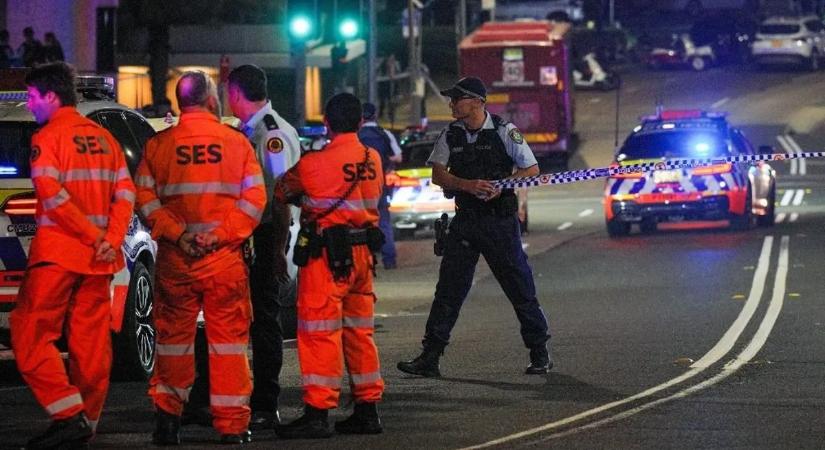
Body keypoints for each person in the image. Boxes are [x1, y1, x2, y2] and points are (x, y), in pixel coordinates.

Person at [135, 71, 266, 445]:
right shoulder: (237, 144)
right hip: (223, 259)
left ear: (180, 104)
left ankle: (167, 421)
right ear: (211, 100)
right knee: (228, 345)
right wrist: (218, 235)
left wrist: (178, 234)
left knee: (173, 342)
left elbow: (144, 200)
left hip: (177, 260)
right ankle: (232, 426)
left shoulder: (158, 146)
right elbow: (254, 201)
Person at [10, 62, 136, 449]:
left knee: (29, 333)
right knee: (91, 347)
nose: (30, 103)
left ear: (51, 96)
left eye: (32, 96)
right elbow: (125, 193)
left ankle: (68, 415)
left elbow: (53, 195)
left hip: (59, 255)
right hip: (99, 260)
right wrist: (110, 238)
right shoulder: (105, 139)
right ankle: (85, 425)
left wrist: (92, 236)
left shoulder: (48, 137)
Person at [396, 76, 552, 378]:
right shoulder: (451, 134)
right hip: (465, 221)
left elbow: (531, 169)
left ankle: (539, 352)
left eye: (458, 99)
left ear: (478, 102)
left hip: (499, 222)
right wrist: (467, 185)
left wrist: (500, 186)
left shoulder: (504, 131)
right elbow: (438, 174)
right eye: (452, 99)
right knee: (448, 290)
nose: (452, 105)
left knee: (519, 287)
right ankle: (430, 356)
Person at [273, 93, 385, 439]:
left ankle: (318, 413)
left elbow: (282, 190)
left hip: (326, 258)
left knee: (320, 334)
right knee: (360, 333)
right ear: (360, 122)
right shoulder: (372, 158)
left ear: (326, 123)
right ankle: (367, 410)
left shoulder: (313, 163)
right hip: (363, 257)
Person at [227, 63, 301, 428]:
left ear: (236, 93)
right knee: (247, 318)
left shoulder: (271, 134)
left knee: (265, 320)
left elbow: (280, 196)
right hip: (250, 234)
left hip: (267, 233)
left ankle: (265, 404)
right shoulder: (250, 130)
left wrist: (277, 251)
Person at [358, 102, 402, 269]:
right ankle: (389, 260)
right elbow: (398, 157)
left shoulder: (356, 135)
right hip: (379, 185)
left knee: (361, 225)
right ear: (375, 115)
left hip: (358, 187)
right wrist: (383, 159)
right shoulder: (384, 134)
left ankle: (365, 262)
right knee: (384, 222)